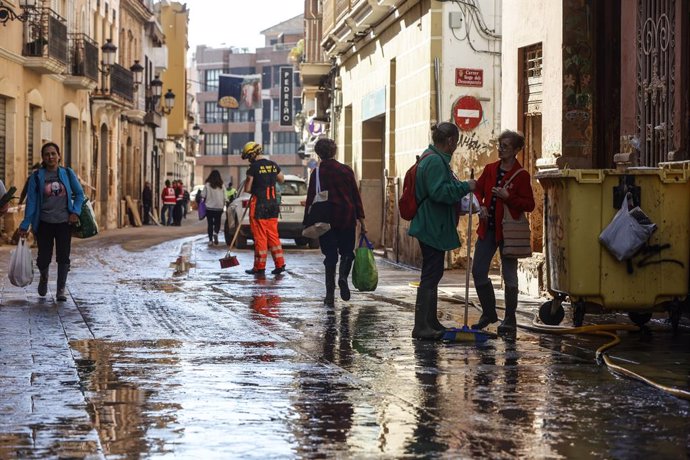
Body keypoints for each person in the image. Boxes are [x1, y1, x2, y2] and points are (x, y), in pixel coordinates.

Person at [408, 122, 476, 340]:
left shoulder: (432, 157)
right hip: (431, 225)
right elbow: (439, 193)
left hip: (431, 224)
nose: (455, 145)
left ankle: (430, 321)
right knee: (431, 273)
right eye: (455, 141)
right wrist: (466, 186)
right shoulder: (436, 161)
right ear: (450, 141)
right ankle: (422, 326)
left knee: (433, 273)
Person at [471, 130, 535, 335]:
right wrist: (480, 205)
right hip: (487, 230)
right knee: (478, 271)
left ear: (516, 150)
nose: (501, 149)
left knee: (510, 276)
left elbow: (530, 204)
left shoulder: (522, 175)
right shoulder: (490, 169)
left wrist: (508, 197)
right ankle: (489, 312)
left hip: (509, 233)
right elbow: (477, 190)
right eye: (500, 145)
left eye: (506, 146)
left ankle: (509, 319)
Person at [18, 142, 85, 301]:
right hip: (44, 223)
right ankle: (44, 277)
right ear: (43, 158)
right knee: (43, 258)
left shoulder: (67, 173)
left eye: (53, 153)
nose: (50, 157)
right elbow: (32, 202)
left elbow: (80, 194)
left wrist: (75, 212)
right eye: (47, 154)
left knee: (63, 256)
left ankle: (60, 289)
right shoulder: (37, 176)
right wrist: (25, 224)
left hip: (64, 222)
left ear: (59, 156)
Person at [304, 138, 366, 308]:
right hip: (347, 216)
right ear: (334, 151)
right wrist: (361, 219)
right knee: (347, 252)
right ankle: (343, 278)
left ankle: (329, 295)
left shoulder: (316, 173)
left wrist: (307, 222)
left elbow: (311, 199)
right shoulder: (346, 170)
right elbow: (355, 195)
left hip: (326, 220)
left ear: (318, 153)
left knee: (330, 255)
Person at [241, 141, 286, 275]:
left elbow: (248, 188)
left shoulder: (253, 168)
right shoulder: (273, 165)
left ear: (252, 154)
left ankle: (259, 267)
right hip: (272, 205)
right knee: (273, 235)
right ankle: (280, 264)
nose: (249, 159)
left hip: (259, 205)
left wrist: (256, 188)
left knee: (260, 237)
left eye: (249, 156)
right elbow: (281, 179)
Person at [201, 170, 225, 245]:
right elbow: (225, 196)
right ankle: (216, 232)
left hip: (209, 207)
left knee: (210, 223)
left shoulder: (207, 185)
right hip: (219, 207)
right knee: (217, 222)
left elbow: (203, 195)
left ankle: (210, 240)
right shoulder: (222, 185)